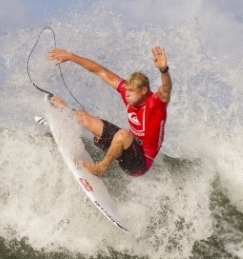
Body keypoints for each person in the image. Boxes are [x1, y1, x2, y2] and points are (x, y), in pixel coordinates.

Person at [46, 46, 172, 177]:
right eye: (126, 89)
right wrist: (71, 56)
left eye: (131, 91)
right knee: (82, 117)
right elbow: (99, 71)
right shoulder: (126, 91)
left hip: (139, 164)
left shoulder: (156, 103)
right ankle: (65, 113)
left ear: (143, 91)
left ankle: (100, 168)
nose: (126, 94)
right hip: (126, 148)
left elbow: (166, 89)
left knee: (123, 134)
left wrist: (163, 70)